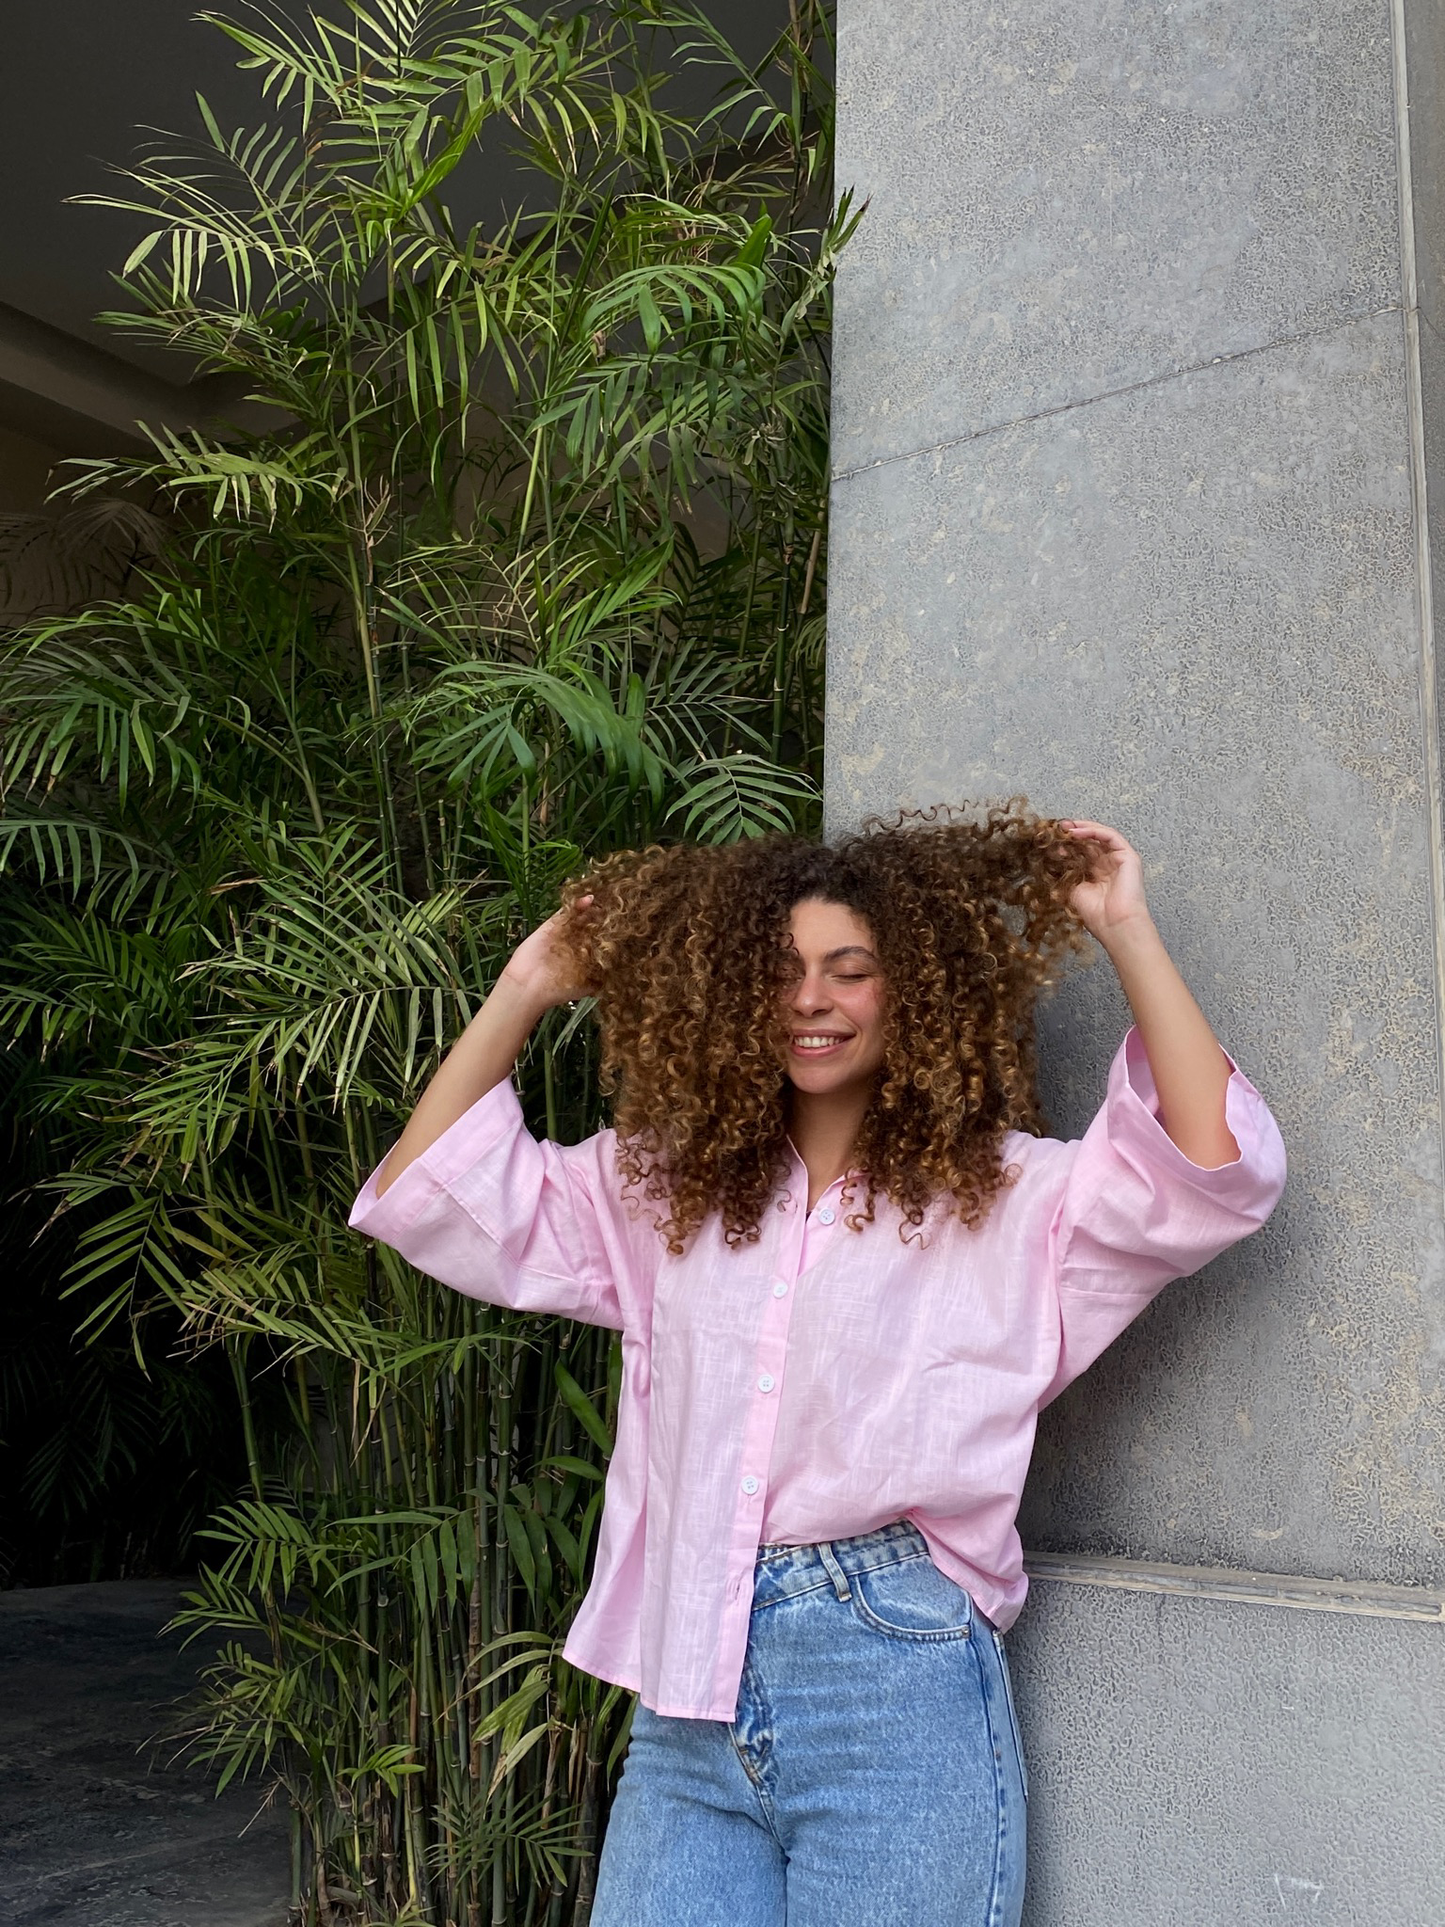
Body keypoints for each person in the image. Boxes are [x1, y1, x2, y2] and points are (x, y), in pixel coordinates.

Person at [349, 805, 1286, 1927]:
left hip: (889, 1679)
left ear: (917, 992)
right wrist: (528, 982)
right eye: (783, 971)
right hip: (685, 1688)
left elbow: (1208, 1174)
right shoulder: (665, 1189)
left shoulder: (1009, 1200)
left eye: (850, 971)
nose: (811, 999)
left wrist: (1125, 928)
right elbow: (429, 1196)